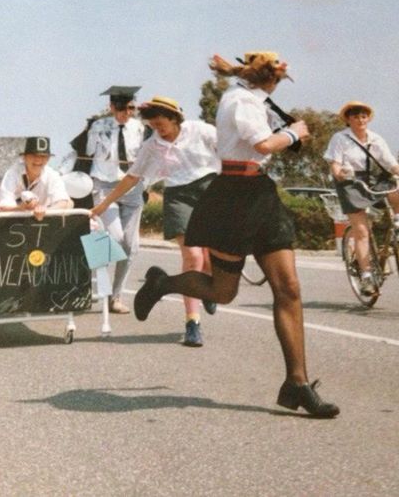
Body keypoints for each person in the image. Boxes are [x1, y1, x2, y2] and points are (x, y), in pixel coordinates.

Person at [133, 52, 340, 418]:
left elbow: (267, 149)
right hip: (231, 196)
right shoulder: (239, 99)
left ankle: (298, 383)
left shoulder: (257, 99)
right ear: (271, 79)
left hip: (261, 192)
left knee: (288, 288)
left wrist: (289, 135)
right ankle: (163, 284)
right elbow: (262, 144)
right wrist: (295, 132)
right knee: (222, 291)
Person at [91, 96, 220, 347]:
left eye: (161, 124)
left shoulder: (201, 130)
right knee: (193, 257)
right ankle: (193, 322)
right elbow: (131, 177)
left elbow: (230, 151)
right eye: (153, 125)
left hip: (210, 188)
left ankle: (207, 287)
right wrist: (104, 204)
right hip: (178, 194)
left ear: (175, 118)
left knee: (211, 255)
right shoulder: (152, 145)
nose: (158, 130)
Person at [324, 101, 399, 296]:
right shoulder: (340, 138)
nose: (360, 119)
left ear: (368, 119)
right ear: (348, 120)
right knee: (362, 231)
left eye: (363, 116)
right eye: (355, 116)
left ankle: (398, 235)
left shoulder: (376, 138)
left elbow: (389, 162)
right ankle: (366, 277)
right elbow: (335, 164)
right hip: (350, 182)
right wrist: (339, 173)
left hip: (373, 179)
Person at [86, 85, 146, 314]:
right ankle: (90, 283)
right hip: (104, 183)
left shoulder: (140, 128)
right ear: (111, 107)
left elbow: (144, 156)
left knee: (131, 245)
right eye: (121, 108)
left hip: (131, 185)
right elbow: (90, 151)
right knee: (113, 237)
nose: (126, 113)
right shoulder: (98, 125)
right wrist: (95, 131)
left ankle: (116, 296)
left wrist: (144, 184)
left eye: (130, 108)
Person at [0, 136, 72, 220]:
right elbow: (3, 206)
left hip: (43, 222)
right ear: (24, 158)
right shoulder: (13, 172)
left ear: (48, 159)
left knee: (70, 203)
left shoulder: (52, 175)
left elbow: (62, 202)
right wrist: (22, 208)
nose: (38, 160)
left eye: (43, 156)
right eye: (34, 155)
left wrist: (44, 211)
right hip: (12, 221)